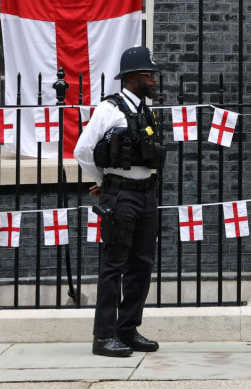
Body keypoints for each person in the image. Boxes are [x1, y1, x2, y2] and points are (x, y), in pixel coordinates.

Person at [74, 45, 165, 357]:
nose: (154, 79)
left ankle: (128, 330)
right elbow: (83, 150)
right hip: (121, 195)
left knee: (142, 264)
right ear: (130, 77)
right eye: (148, 74)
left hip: (146, 194)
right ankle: (103, 337)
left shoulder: (145, 112)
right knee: (114, 265)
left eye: (153, 74)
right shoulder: (108, 110)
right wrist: (104, 181)